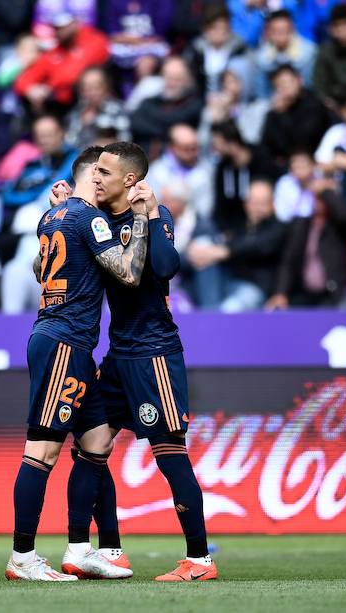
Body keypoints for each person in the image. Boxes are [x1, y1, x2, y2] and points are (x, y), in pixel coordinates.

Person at [49, 143, 219, 580]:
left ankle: (199, 560)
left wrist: (154, 214)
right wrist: (67, 213)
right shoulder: (97, 223)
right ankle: (97, 551)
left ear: (129, 180)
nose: (96, 178)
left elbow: (164, 268)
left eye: (103, 172)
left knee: (169, 454)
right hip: (117, 356)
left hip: (154, 354)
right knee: (90, 447)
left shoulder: (152, 216)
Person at [5, 143, 150, 583]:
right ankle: (22, 557)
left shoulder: (52, 216)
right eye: (102, 173)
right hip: (63, 341)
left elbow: (39, 268)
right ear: (94, 176)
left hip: (72, 345)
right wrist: (142, 217)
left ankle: (80, 549)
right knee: (43, 449)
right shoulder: (90, 218)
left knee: (96, 443)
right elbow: (128, 273)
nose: (107, 181)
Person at [187, 179, 288, 311]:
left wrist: (225, 251)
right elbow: (222, 242)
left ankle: (212, 319)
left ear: (272, 204)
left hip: (255, 287)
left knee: (229, 309)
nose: (257, 207)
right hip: (228, 281)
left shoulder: (278, 227)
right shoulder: (238, 225)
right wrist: (197, 250)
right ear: (246, 203)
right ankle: (209, 310)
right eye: (254, 202)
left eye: (263, 203)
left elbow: (258, 245)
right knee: (203, 242)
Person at [268, 180, 346, 308]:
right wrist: (281, 292)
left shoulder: (340, 228)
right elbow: (289, 261)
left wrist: (325, 191)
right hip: (305, 296)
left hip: (335, 295)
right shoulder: (302, 225)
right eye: (316, 197)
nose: (319, 201)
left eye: (324, 198)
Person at [14, 13, 109, 113]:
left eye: (63, 27)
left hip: (94, 101)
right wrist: (31, 90)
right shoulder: (54, 53)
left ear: (75, 24)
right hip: (63, 106)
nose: (59, 31)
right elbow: (24, 80)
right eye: (56, 28)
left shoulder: (93, 40)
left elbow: (75, 74)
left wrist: (51, 86)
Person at [259, 64, 334, 181]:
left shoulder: (314, 105)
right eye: (279, 85)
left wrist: (281, 115)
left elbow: (303, 141)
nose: (284, 88)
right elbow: (266, 145)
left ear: (299, 80)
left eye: (287, 82)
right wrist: (277, 114)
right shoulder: (275, 112)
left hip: (314, 166)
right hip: (284, 169)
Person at [130, 56, 204, 155]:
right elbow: (135, 123)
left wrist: (152, 121)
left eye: (177, 79)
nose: (172, 83)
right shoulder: (150, 101)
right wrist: (165, 127)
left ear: (188, 79)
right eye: (168, 77)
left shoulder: (195, 104)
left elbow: (175, 121)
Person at [1, 115, 76, 209]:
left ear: (61, 133)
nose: (44, 141)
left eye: (49, 135)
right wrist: (31, 196)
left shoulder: (75, 159)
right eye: (40, 136)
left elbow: (53, 188)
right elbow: (6, 195)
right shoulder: (32, 165)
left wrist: (34, 195)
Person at [208, 121, 269, 233]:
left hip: (262, 225)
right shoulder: (222, 168)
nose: (215, 148)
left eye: (217, 143)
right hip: (232, 229)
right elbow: (220, 204)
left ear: (230, 142)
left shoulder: (261, 158)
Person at [148, 124, 215, 221]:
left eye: (195, 148)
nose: (192, 153)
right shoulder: (157, 171)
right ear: (172, 147)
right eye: (186, 148)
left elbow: (205, 209)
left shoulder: (205, 171)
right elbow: (151, 206)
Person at [183, 5, 248, 95]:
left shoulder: (239, 49)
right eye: (214, 28)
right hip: (200, 99)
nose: (219, 32)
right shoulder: (196, 49)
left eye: (223, 28)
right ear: (206, 29)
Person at [253, 9, 317, 99]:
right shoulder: (262, 58)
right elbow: (262, 92)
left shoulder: (308, 53)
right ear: (268, 33)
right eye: (276, 31)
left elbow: (310, 85)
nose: (281, 36)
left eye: (285, 30)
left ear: (293, 30)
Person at [64, 67, 131, 149]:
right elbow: (69, 144)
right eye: (86, 88)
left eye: (96, 87)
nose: (91, 92)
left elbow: (125, 142)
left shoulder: (118, 111)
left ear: (107, 88)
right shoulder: (76, 113)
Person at [273, 149, 319, 224]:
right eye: (297, 166)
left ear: (313, 166)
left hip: (313, 224)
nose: (301, 170)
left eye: (304, 166)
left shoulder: (320, 180)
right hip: (290, 225)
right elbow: (281, 214)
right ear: (291, 169)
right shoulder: (284, 183)